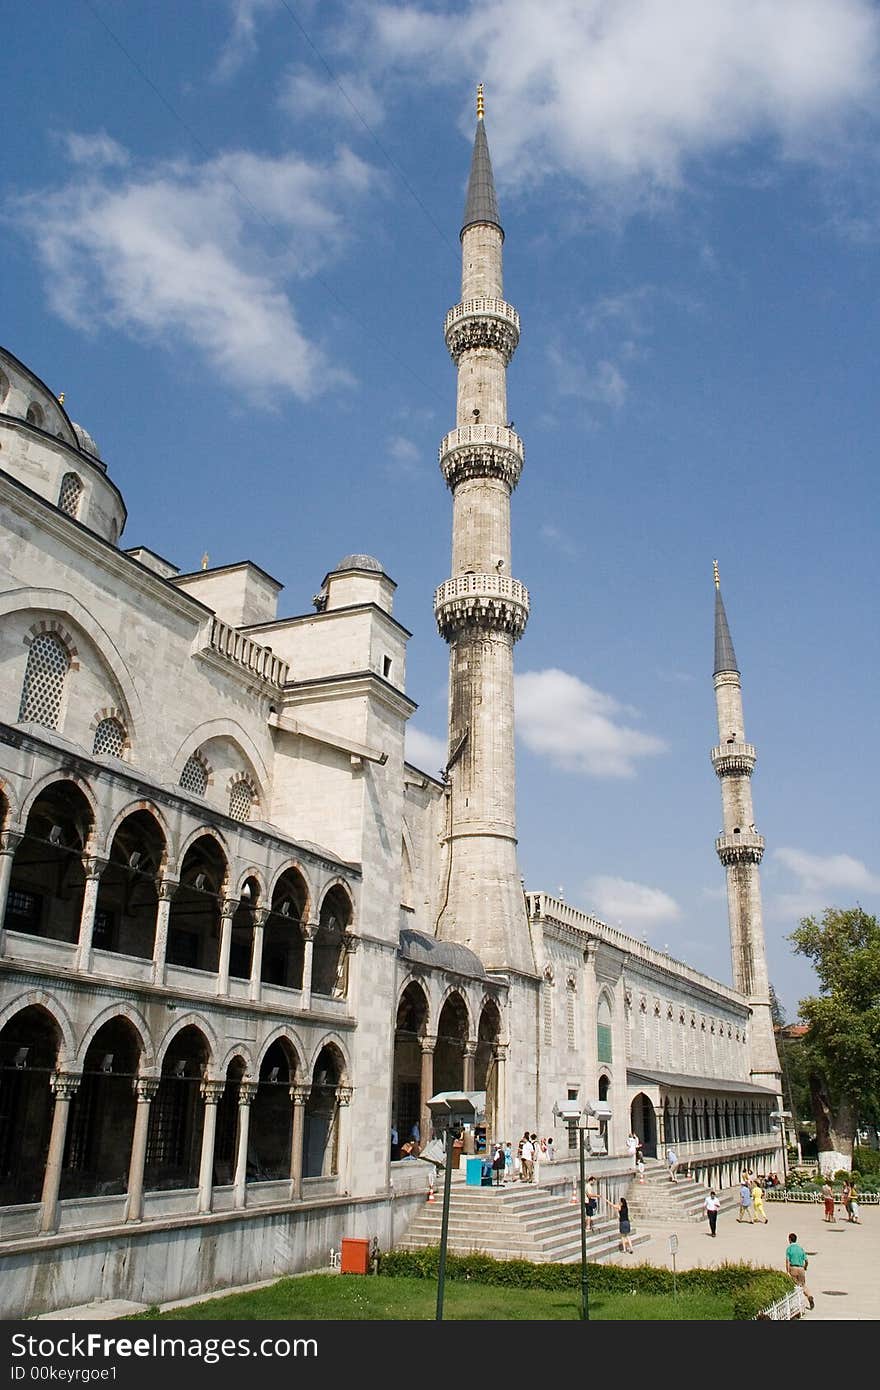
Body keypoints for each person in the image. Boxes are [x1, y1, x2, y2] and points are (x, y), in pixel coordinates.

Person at [785, 1232, 814, 1310]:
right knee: (803, 1285)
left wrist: (787, 1271)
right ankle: (809, 1296)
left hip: (793, 1268)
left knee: (794, 1286)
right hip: (801, 1269)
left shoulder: (789, 1249)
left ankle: (796, 1305)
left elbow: (787, 1261)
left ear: (790, 1240)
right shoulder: (800, 1249)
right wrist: (805, 1267)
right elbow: (806, 1260)